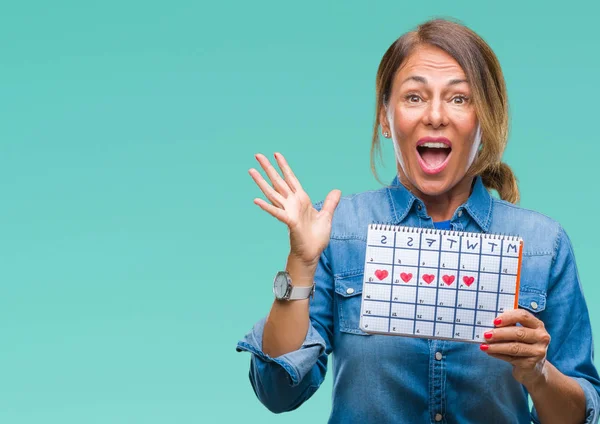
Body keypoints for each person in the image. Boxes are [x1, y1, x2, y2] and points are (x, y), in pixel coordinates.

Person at [235, 18, 600, 423]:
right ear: (386, 119)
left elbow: (579, 413)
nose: (436, 115)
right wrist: (300, 263)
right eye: (414, 97)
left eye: (459, 99)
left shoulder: (543, 245)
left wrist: (539, 372)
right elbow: (277, 391)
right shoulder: (338, 231)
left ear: (486, 120)